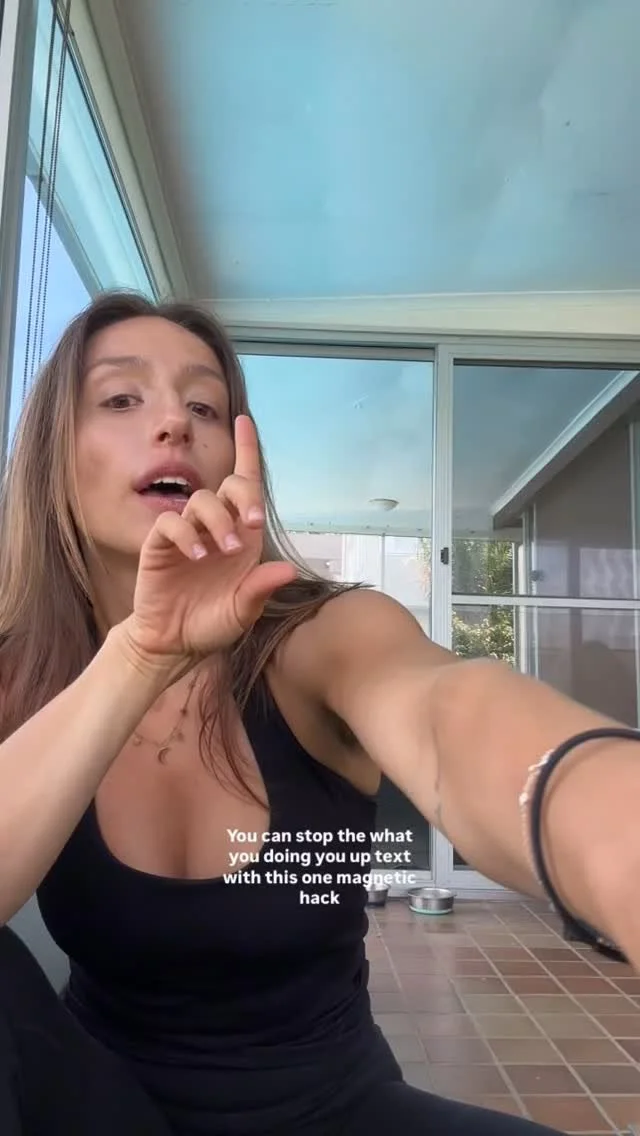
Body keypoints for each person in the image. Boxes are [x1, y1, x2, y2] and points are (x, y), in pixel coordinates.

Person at [0, 291, 637, 1136]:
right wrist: (138, 657)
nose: (174, 424)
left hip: (329, 1108)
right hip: (91, 1106)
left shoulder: (322, 634)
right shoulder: (17, 672)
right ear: (53, 453)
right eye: (121, 398)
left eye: (205, 407)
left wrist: (606, 825)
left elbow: (447, 713)